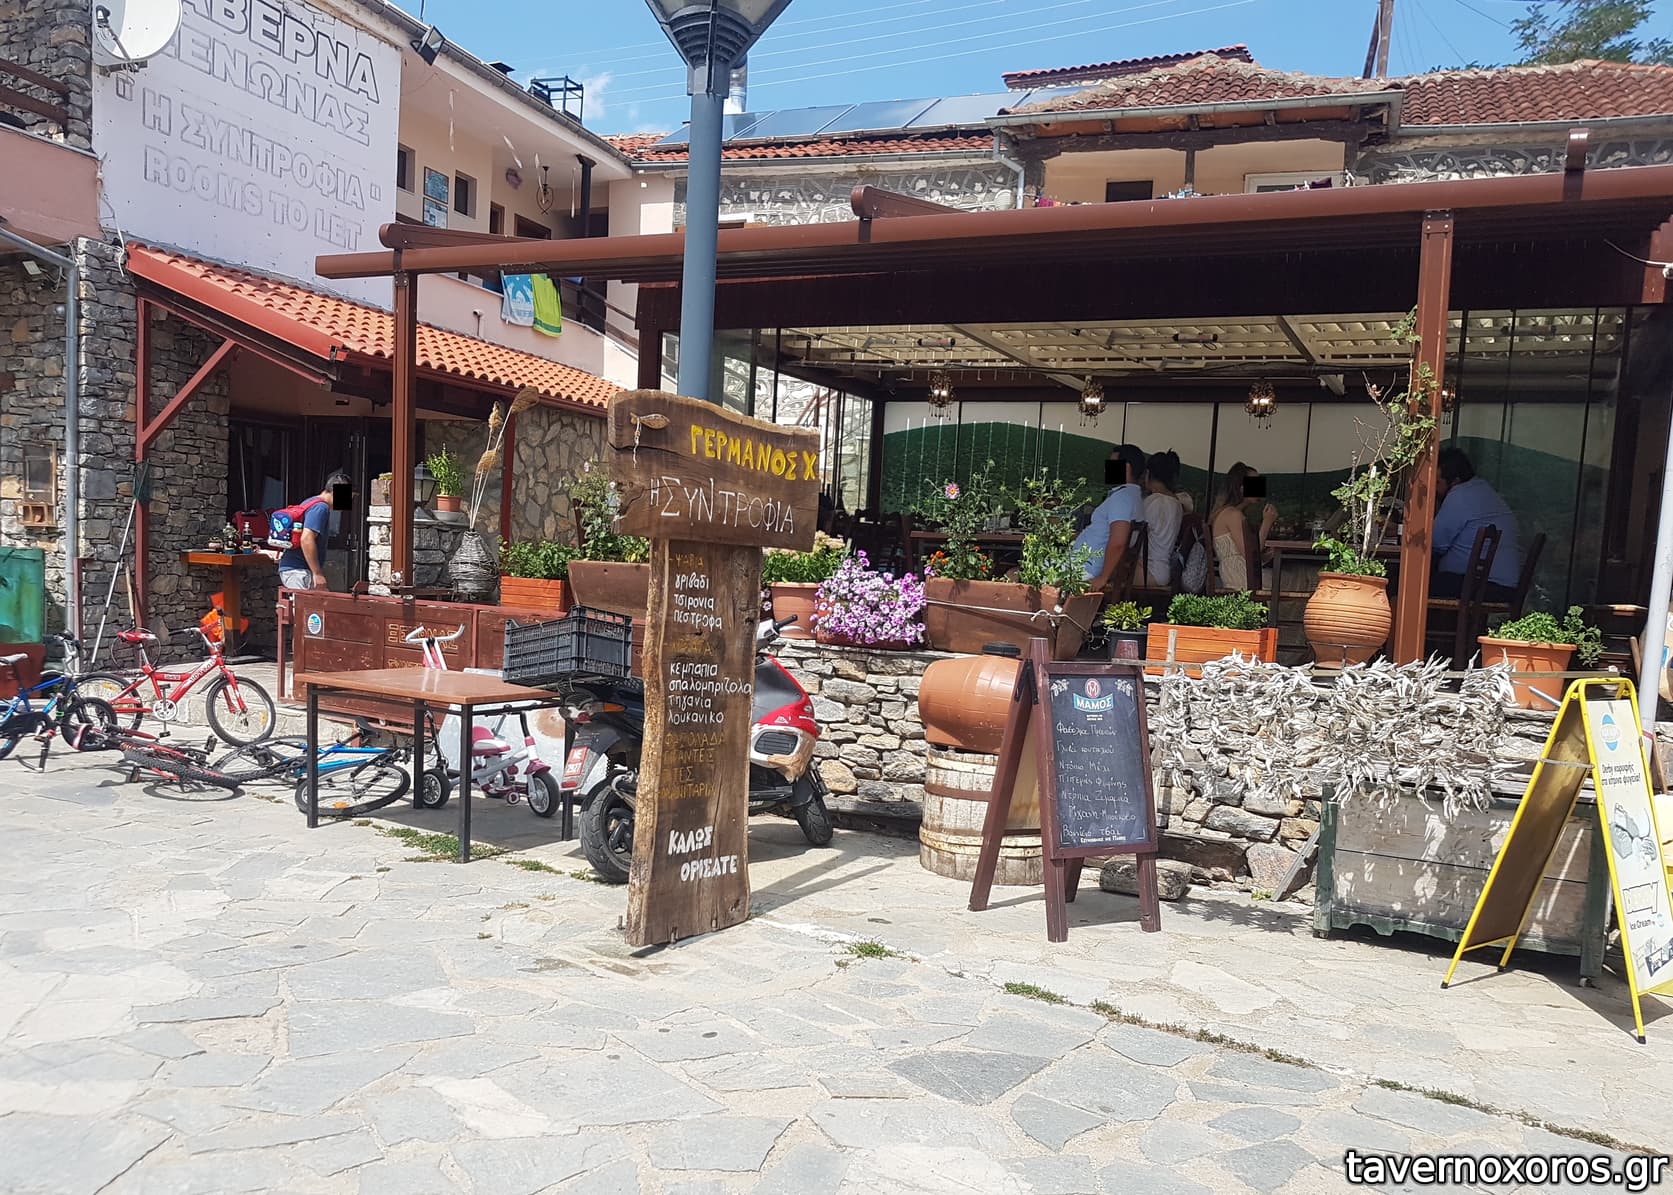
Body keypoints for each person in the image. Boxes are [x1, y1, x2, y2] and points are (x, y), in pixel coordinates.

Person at [1431, 447, 1522, 601]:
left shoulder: (1459, 495)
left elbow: (1434, 543)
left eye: (1437, 482)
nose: (1434, 489)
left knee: (1411, 583)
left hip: (1486, 586)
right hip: (1502, 585)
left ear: (1455, 481)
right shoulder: (1482, 490)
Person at [1074, 443, 1147, 591]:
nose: (1105, 469)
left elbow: (1118, 542)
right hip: (1085, 564)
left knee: (1025, 572)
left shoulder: (1122, 498)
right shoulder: (1133, 496)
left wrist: (1103, 578)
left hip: (1087, 569)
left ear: (1126, 467)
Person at [277, 470, 351, 591]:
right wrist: (317, 573)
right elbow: (306, 539)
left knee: (319, 601)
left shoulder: (310, 502)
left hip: (296, 569)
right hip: (299, 571)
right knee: (307, 603)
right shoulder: (321, 508)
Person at [1209, 462, 1277, 592]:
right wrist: (1267, 522)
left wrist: (1264, 557)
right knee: (1302, 577)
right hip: (1243, 579)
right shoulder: (1233, 515)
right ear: (1241, 488)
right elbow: (1251, 554)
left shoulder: (1228, 513)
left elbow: (1243, 553)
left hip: (1235, 576)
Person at [1141, 450, 1185, 588]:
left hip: (1146, 570)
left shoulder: (1152, 501)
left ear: (1148, 474)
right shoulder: (1177, 504)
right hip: (1164, 571)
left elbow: (1133, 537)